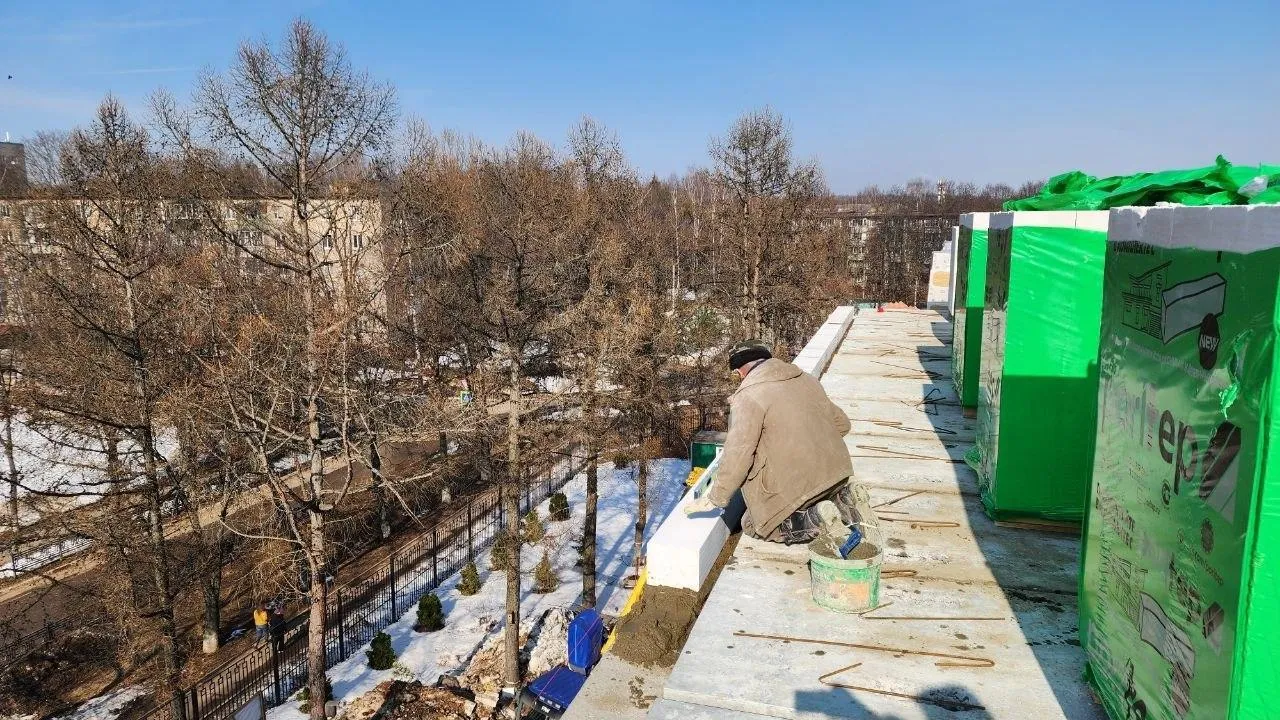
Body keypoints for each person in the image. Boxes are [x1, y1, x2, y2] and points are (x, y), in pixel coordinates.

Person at [686, 340, 859, 544]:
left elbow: (738, 455)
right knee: (816, 492)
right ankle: (842, 499)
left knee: (754, 525)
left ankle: (814, 520)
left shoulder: (748, 396)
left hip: (799, 486)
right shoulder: (807, 380)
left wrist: (716, 498)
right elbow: (843, 425)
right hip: (838, 473)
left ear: (740, 370)